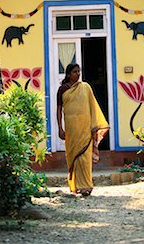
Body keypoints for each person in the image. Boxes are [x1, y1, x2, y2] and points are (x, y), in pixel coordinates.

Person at [57, 63, 109, 196]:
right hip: (72, 129)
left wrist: (93, 125)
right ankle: (76, 186)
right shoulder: (62, 89)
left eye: (79, 71)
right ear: (68, 74)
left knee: (85, 157)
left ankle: (86, 185)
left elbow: (92, 107)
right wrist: (60, 128)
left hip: (85, 128)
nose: (78, 74)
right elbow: (59, 110)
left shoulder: (85, 88)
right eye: (75, 72)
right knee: (73, 156)